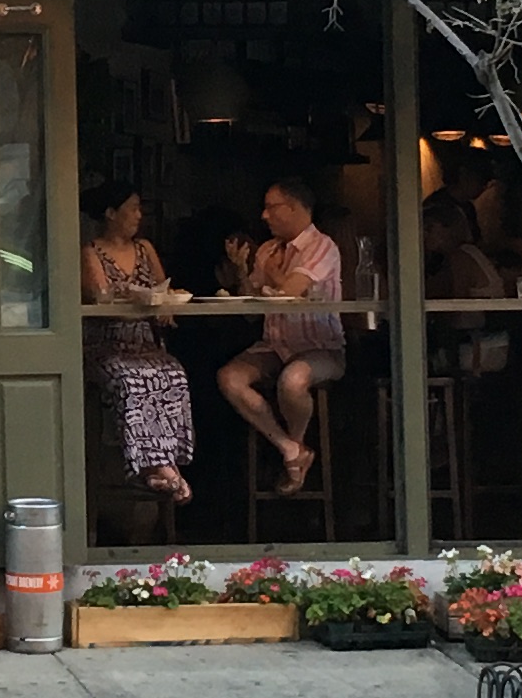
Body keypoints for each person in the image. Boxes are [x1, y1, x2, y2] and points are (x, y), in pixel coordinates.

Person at [215, 179, 346, 495]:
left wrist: (272, 273)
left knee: (293, 380)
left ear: (295, 207)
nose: (264, 216)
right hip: (275, 344)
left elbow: (289, 293)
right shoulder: (268, 249)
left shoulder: (322, 246)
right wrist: (242, 271)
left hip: (320, 347)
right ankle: (290, 448)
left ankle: (296, 449)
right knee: (229, 377)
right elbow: (252, 309)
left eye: (271, 207)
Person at [81, 187, 195, 506]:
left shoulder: (145, 248)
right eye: (132, 208)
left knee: (173, 373)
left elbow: (161, 289)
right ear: (110, 213)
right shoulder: (90, 251)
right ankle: (153, 466)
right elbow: (99, 295)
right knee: (134, 378)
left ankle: (164, 463)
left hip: (145, 342)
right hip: (108, 344)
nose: (138, 215)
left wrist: (167, 307)